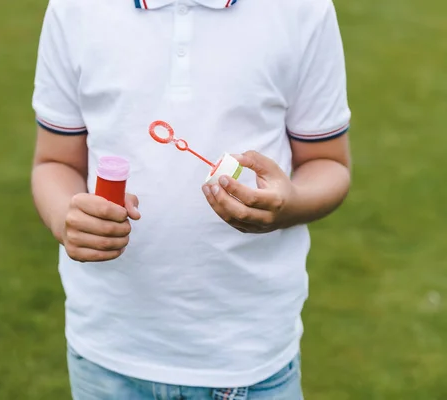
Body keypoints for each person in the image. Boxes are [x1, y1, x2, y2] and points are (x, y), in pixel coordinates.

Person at [30, 0, 351, 398]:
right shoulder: (75, 9)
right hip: (107, 352)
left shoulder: (302, 10)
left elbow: (328, 162)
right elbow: (54, 161)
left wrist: (290, 204)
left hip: (249, 355)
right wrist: (65, 216)